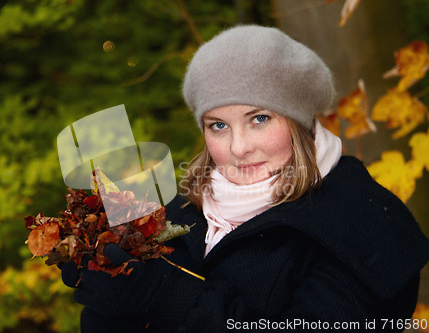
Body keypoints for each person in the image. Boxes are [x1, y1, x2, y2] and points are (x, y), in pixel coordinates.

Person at [61, 25, 429, 332]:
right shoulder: (178, 211)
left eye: (260, 119)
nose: (238, 148)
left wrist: (161, 295)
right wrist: (107, 280)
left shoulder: (366, 227)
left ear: (299, 120)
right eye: (218, 126)